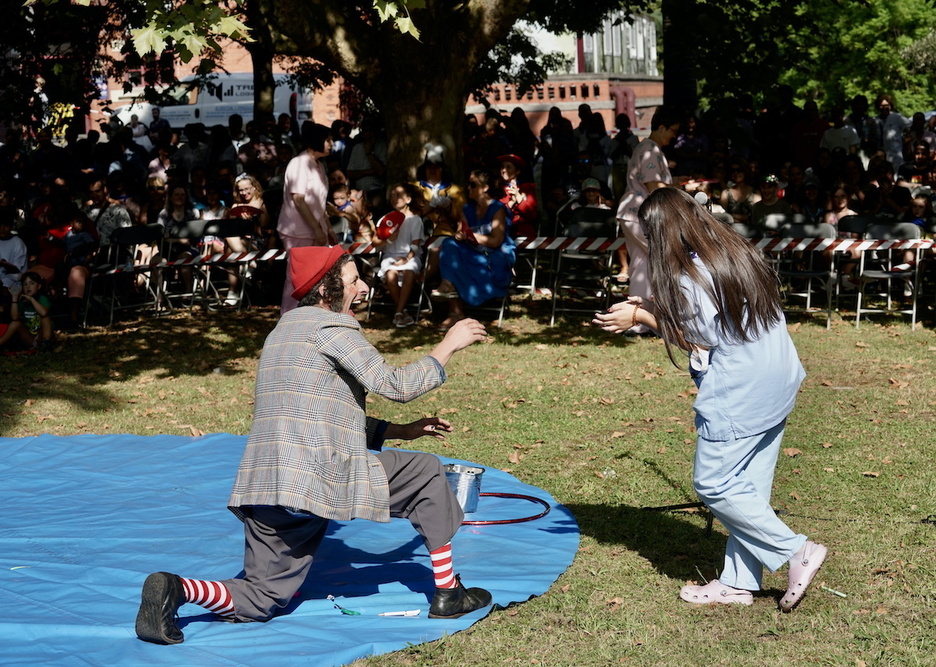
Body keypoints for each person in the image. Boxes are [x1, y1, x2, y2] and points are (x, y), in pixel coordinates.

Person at [134, 246, 492, 645]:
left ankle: (177, 589)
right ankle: (449, 593)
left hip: (267, 484)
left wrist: (401, 432)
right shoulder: (331, 328)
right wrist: (449, 344)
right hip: (316, 476)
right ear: (326, 291)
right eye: (354, 280)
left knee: (263, 596)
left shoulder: (282, 332)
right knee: (425, 473)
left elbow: (321, 412)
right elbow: (398, 385)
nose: (363, 286)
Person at [593, 187, 828, 612]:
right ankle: (738, 583)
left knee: (714, 483)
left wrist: (641, 316)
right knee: (749, 489)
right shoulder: (732, 250)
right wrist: (652, 304)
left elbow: (696, 339)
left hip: (744, 389)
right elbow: (717, 316)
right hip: (779, 375)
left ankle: (797, 551)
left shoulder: (689, 275)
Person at [615, 106, 680, 335]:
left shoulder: (646, 148)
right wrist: (682, 193)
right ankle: (665, 317)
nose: (673, 136)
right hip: (641, 214)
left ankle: (637, 322)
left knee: (641, 265)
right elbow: (655, 189)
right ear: (661, 127)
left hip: (632, 212)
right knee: (666, 259)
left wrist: (678, 183)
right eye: (672, 131)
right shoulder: (650, 149)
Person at [433, 170, 516, 332]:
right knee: (449, 244)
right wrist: (459, 235)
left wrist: (472, 235)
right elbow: (460, 231)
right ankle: (454, 307)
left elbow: (496, 241)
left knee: (453, 261)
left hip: (493, 257)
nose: (468, 188)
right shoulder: (467, 208)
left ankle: (454, 307)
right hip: (471, 252)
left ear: (485, 188)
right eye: (468, 184)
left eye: (473, 185)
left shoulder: (497, 208)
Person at [278, 122, 339, 314]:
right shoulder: (299, 163)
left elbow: (319, 203)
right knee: (296, 277)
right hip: (298, 229)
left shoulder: (318, 165)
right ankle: (288, 317)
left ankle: (311, 315)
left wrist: (328, 229)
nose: (331, 143)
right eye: (328, 139)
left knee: (317, 274)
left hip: (316, 229)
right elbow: (298, 199)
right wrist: (316, 229)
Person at [375, 184, 425, 328]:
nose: (394, 198)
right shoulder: (386, 219)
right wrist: (388, 239)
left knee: (409, 272)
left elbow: (415, 244)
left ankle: (398, 312)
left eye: (398, 195)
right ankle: (403, 312)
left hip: (410, 256)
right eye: (392, 195)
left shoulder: (415, 219)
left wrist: (407, 258)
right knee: (391, 274)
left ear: (408, 199)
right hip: (390, 255)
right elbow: (375, 241)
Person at [0, 271, 53, 352]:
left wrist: (31, 299)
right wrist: (14, 298)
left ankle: (46, 344)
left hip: (41, 336)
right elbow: (15, 318)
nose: (28, 287)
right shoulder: (22, 301)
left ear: (39, 286)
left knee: (45, 318)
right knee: (15, 323)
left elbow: (44, 313)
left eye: (32, 283)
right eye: (25, 284)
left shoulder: (42, 298)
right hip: (29, 337)